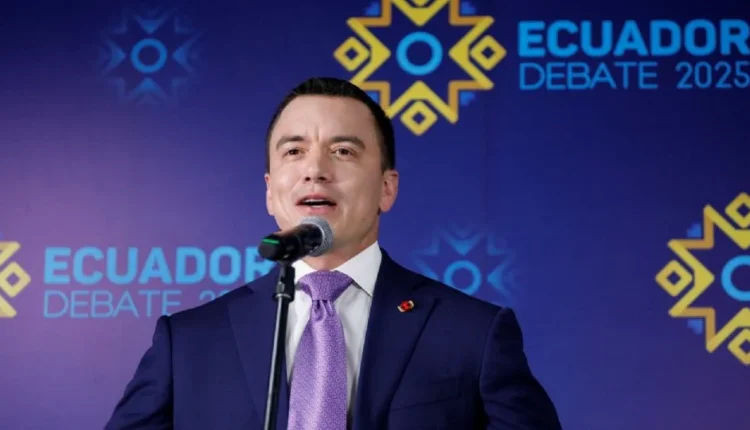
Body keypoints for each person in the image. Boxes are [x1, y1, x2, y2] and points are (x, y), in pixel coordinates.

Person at [105, 77, 562, 429]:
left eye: (342, 151)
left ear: (387, 188)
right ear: (270, 191)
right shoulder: (187, 343)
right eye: (293, 151)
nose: (315, 170)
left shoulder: (474, 334)